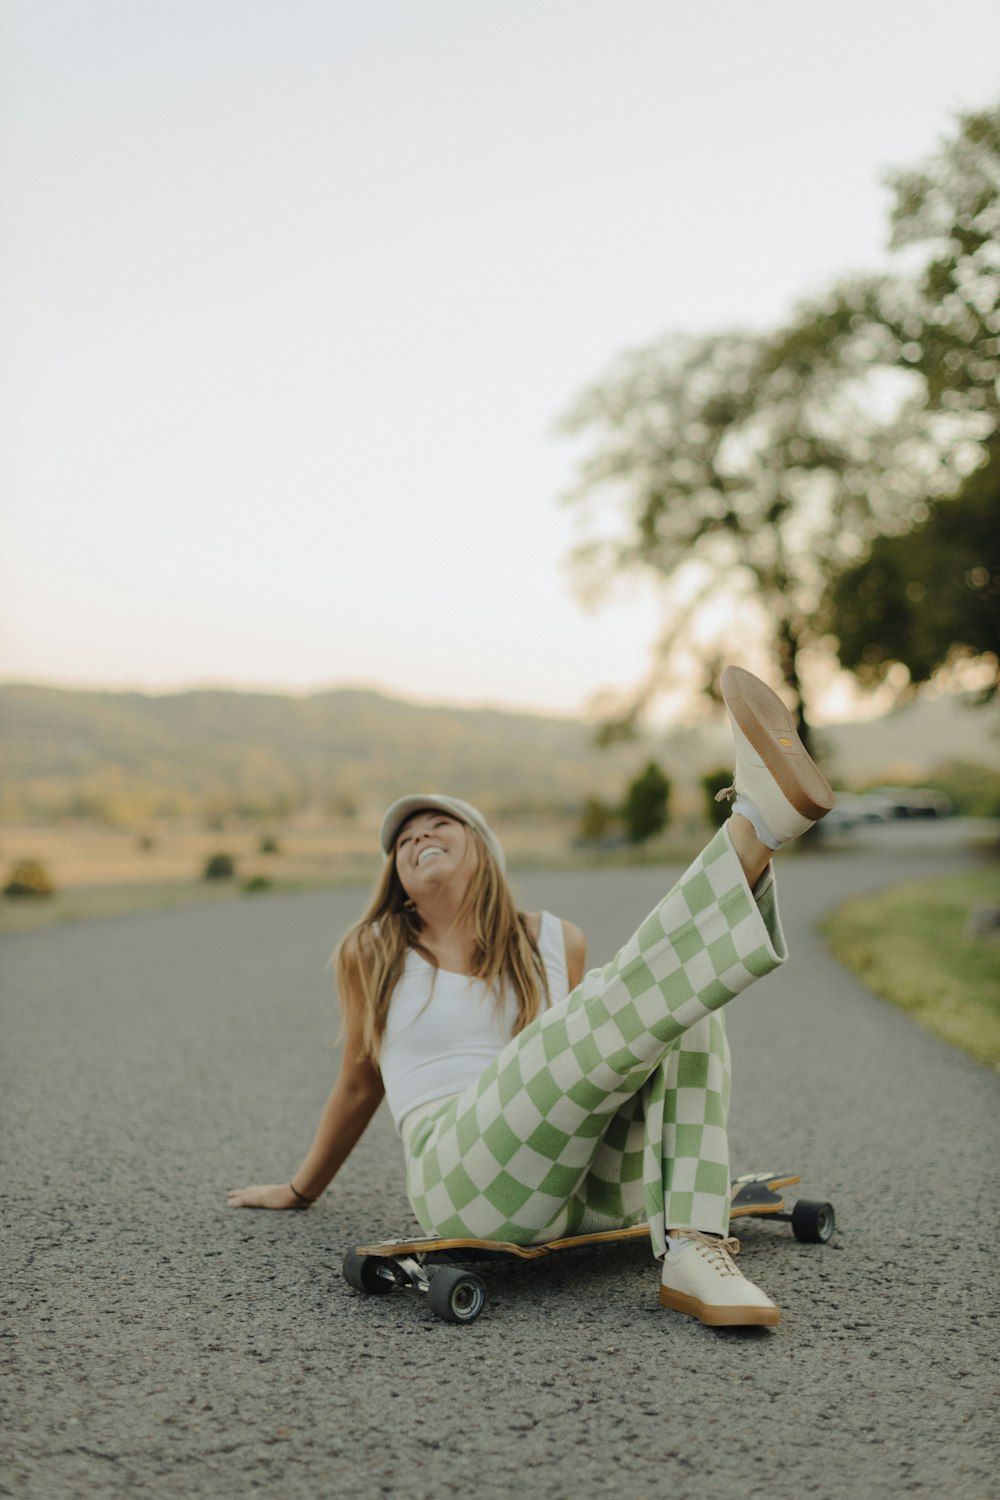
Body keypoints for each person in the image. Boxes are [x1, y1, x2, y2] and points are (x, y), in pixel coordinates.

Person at [228, 667, 835, 1328]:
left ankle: (695, 1251)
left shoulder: (555, 939)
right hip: (461, 1178)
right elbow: (356, 1083)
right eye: (403, 843)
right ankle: (752, 832)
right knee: (653, 991)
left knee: (678, 1008)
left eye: (437, 826)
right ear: (399, 883)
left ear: (483, 851)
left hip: (582, 1186)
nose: (417, 839)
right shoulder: (374, 952)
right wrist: (300, 1188)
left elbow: (598, 1054)